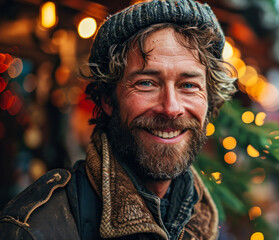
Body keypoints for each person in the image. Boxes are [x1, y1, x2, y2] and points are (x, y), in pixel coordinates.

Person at [0, 0, 237, 239]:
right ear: (107, 99)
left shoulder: (204, 220)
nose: (171, 108)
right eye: (146, 83)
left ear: (209, 98)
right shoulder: (35, 230)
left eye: (188, 85)